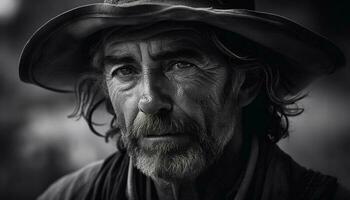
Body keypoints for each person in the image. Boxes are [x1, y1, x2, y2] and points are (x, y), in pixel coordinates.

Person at [19, 0, 349, 199]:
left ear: (247, 83)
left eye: (181, 65)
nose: (150, 100)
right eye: (125, 70)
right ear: (106, 94)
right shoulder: (73, 196)